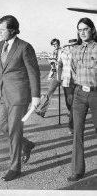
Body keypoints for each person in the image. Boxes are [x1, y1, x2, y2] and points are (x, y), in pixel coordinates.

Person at [0, 15, 40, 181]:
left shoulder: (25, 47)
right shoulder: (0, 46)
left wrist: (35, 96)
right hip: (2, 94)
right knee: (1, 125)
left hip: (18, 95)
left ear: (12, 29)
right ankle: (26, 144)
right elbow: (1, 69)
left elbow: (33, 72)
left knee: (14, 129)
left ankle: (14, 167)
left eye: (2, 29)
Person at [67, 17, 97, 182]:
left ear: (92, 30)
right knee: (77, 131)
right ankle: (77, 170)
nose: (83, 32)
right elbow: (72, 72)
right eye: (80, 29)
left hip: (95, 94)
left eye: (86, 29)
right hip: (79, 93)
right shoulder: (75, 50)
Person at [35, 38, 61, 117]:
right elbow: (52, 64)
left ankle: (73, 113)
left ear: (58, 44)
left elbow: (61, 62)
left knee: (68, 95)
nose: (54, 46)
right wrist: (50, 61)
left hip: (61, 73)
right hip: (54, 74)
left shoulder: (62, 51)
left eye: (55, 44)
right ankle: (42, 110)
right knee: (49, 92)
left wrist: (55, 61)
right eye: (53, 45)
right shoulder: (53, 52)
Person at [57, 39, 77, 135]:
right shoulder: (63, 52)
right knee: (68, 103)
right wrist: (59, 77)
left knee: (74, 104)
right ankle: (73, 115)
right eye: (71, 45)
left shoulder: (80, 51)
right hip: (66, 81)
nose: (72, 46)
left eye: (74, 44)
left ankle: (71, 126)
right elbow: (59, 65)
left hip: (77, 82)